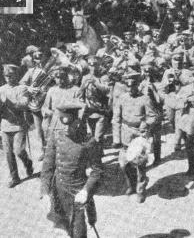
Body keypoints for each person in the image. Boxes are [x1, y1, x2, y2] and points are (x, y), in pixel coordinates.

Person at [40, 101, 103, 238]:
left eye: (70, 124)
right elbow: (47, 167)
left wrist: (86, 191)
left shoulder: (88, 142)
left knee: (79, 232)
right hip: (58, 191)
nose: (67, 129)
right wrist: (45, 191)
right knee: (63, 230)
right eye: (63, 125)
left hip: (78, 192)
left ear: (77, 122)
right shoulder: (56, 137)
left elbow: (97, 171)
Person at [112, 71, 157, 203]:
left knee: (140, 164)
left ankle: (140, 190)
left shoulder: (145, 99)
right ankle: (131, 185)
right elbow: (116, 118)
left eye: (133, 85)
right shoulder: (122, 98)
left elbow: (153, 116)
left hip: (139, 135)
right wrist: (116, 138)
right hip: (126, 133)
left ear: (138, 85)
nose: (131, 88)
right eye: (128, 85)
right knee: (124, 164)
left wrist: (145, 123)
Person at [0, 64, 33, 188]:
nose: (8, 78)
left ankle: (28, 163)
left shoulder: (22, 88)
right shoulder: (1, 89)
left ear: (16, 75)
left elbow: (24, 104)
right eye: (6, 76)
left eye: (11, 76)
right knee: (9, 153)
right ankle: (14, 177)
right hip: (5, 125)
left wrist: (8, 101)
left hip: (19, 125)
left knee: (19, 151)